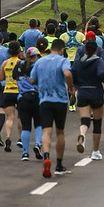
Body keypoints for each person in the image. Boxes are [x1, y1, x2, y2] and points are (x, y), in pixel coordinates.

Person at [30, 38, 73, 178]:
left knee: (46, 131)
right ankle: (59, 164)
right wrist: (71, 88)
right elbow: (67, 73)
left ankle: (46, 156)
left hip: (44, 100)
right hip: (60, 100)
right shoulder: (63, 60)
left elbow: (32, 80)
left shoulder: (40, 61)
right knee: (60, 132)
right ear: (62, 49)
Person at [72, 39, 104, 161]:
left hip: (82, 92)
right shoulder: (99, 61)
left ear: (85, 50)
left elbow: (74, 77)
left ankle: (82, 134)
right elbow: (102, 75)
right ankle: (95, 151)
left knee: (85, 120)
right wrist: (103, 79)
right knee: (97, 124)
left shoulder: (78, 62)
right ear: (96, 50)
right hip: (96, 92)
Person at [13, 48, 43, 161]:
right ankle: (38, 144)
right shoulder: (38, 66)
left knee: (26, 126)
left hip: (22, 98)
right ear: (35, 56)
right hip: (37, 97)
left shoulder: (19, 65)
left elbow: (14, 77)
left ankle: (25, 153)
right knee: (38, 123)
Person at [0, 40, 23, 153]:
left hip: (7, 91)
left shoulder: (4, 63)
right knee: (20, 117)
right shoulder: (21, 63)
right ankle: (20, 138)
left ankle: (8, 137)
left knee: (9, 117)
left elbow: (1, 78)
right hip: (19, 91)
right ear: (18, 51)